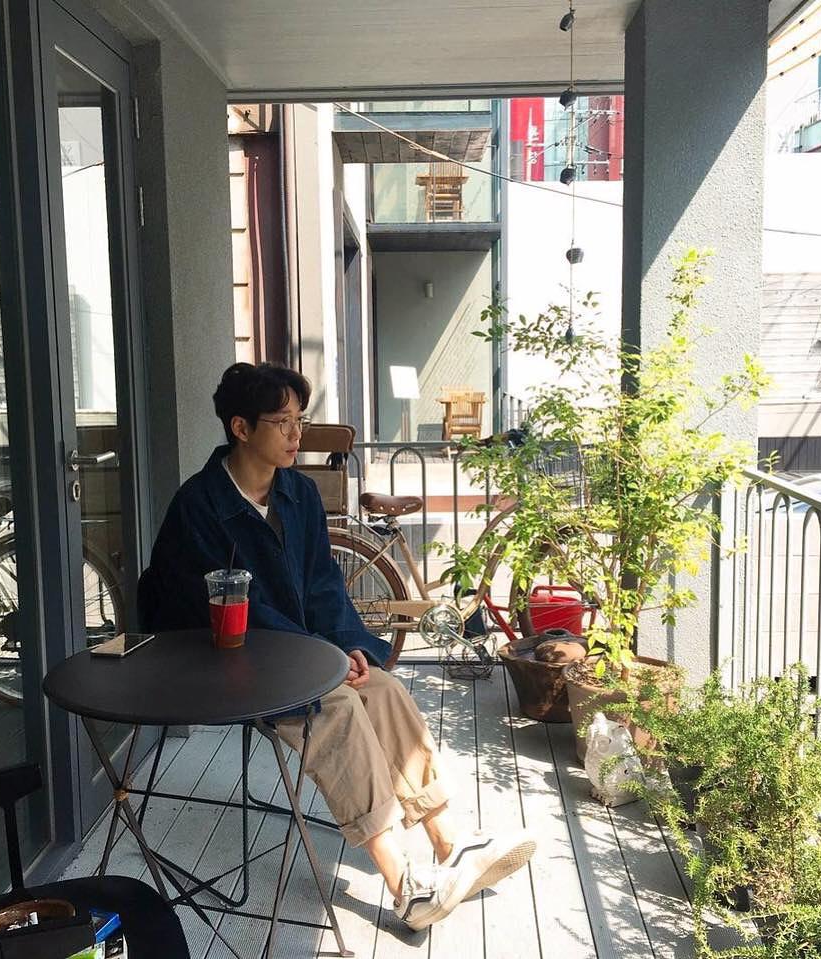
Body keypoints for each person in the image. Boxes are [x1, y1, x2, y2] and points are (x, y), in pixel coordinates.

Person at [140, 361, 535, 932]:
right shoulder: (199, 505)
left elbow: (324, 585)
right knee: (337, 708)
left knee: (384, 688)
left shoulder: (298, 493)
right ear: (241, 428)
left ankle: (450, 844)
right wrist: (321, 658)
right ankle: (407, 888)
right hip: (224, 659)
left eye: (300, 420)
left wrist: (347, 645)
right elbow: (233, 611)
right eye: (282, 422)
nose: (296, 434)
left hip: (296, 652)